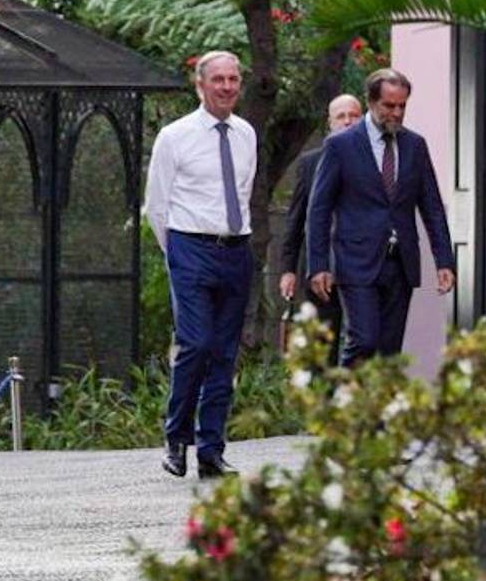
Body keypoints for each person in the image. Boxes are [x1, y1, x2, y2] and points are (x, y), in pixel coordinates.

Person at [143, 50, 255, 479]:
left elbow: (243, 192)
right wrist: (177, 255)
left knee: (226, 352)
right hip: (190, 246)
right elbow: (156, 204)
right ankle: (177, 437)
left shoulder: (246, 134)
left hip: (235, 248)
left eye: (233, 79)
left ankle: (211, 449)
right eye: (218, 80)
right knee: (196, 343)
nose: (227, 87)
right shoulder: (175, 136)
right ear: (200, 85)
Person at [307, 69, 455, 367]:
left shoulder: (415, 145)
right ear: (372, 102)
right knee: (364, 339)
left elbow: (432, 207)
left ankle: (376, 413)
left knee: (389, 352)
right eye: (389, 106)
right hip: (356, 260)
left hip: (400, 263)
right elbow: (319, 209)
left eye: (402, 106)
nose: (396, 113)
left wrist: (444, 260)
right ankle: (345, 404)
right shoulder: (341, 145)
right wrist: (318, 265)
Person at [278, 94, 361, 365]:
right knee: (322, 345)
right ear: (330, 123)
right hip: (321, 269)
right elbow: (296, 218)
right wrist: (288, 269)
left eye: (354, 115)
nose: (348, 121)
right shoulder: (311, 162)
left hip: (362, 267)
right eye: (341, 116)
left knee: (359, 341)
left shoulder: (375, 159)